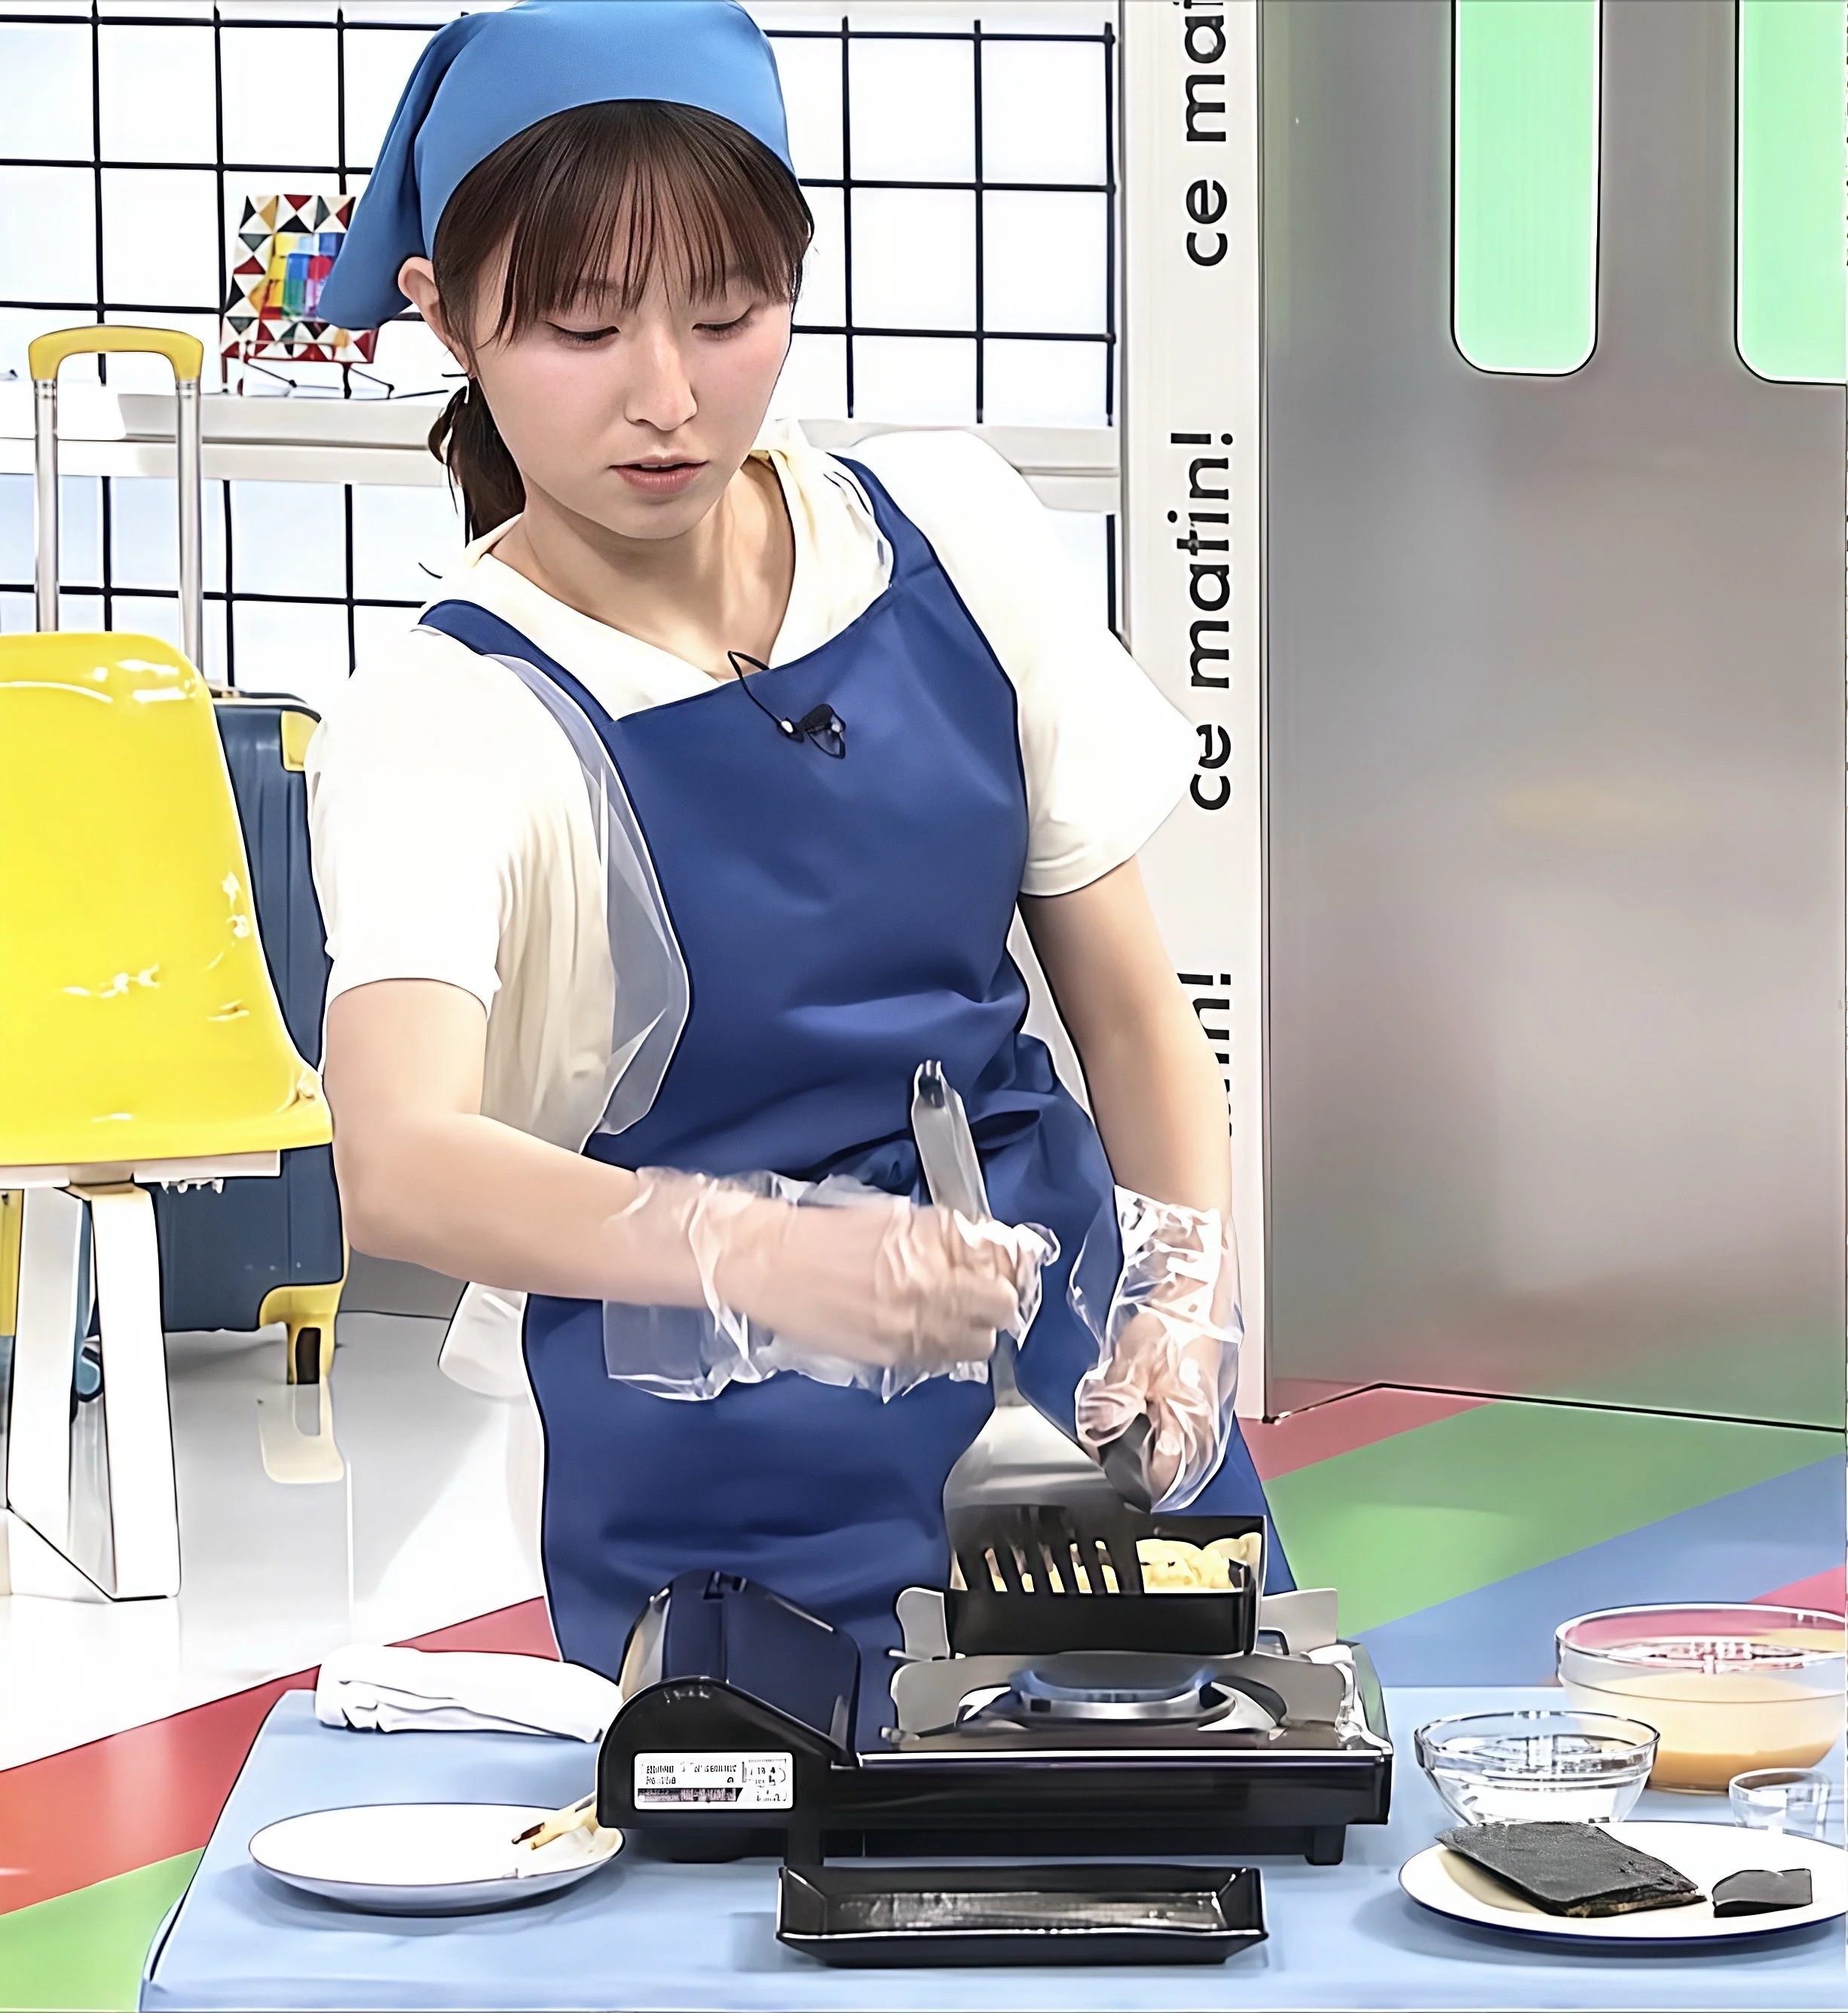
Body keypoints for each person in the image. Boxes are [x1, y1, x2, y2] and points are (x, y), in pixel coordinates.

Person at [311, 0, 1290, 1732]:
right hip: (726, 1465)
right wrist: (750, 1250)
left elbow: (1130, 1013)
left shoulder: (944, 531)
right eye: (581, 326)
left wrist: (1178, 1293)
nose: (666, 397)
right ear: (445, 315)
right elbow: (399, 1163)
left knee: (1220, 1813)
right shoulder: (449, 712)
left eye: (727, 313)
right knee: (799, 1862)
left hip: (1079, 1391)